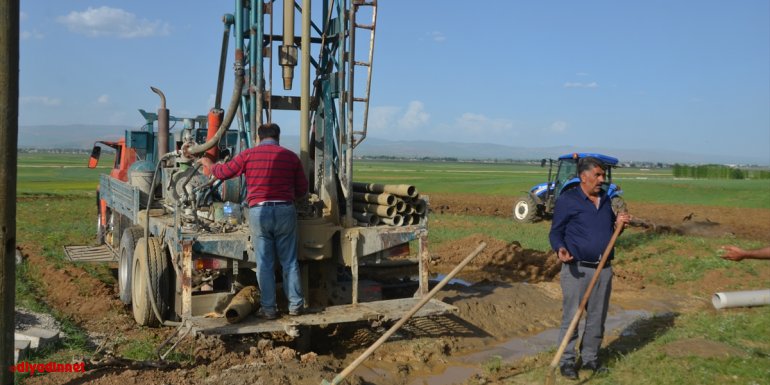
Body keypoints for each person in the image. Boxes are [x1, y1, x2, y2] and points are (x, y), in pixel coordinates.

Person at [199, 123, 308, 319]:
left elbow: (224, 173)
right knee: (289, 262)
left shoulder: (248, 155)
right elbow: (302, 190)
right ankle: (295, 305)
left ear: (258, 138)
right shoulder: (291, 157)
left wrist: (210, 165)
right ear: (278, 137)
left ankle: (269, 309)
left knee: (264, 263)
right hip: (285, 211)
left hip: (260, 212)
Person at [548, 157, 631, 379]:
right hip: (576, 269)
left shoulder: (606, 200)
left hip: (603, 269)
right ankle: (567, 361)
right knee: (572, 317)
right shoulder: (568, 200)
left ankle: (590, 359)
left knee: (597, 317)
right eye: (598, 175)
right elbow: (555, 232)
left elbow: (610, 231)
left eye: (603, 175)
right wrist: (560, 248)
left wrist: (620, 225)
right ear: (583, 177)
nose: (602, 180)